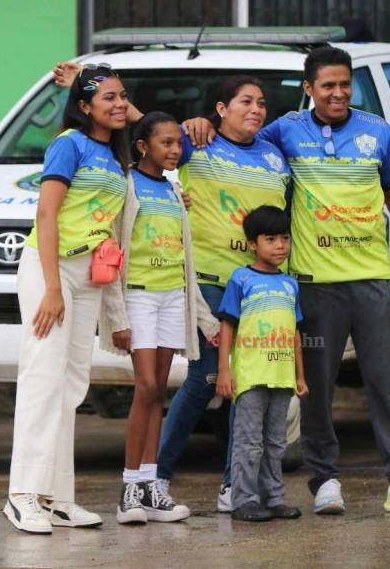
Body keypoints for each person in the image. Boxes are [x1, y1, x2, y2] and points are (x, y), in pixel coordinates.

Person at [184, 46, 390, 515]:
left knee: (384, 384)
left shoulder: (377, 131)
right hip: (314, 285)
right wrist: (195, 123)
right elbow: (235, 132)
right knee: (317, 387)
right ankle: (325, 480)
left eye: (345, 84)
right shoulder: (284, 131)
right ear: (309, 90)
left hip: (373, 280)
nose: (338, 93)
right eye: (328, 86)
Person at [53, 65, 290, 511]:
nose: (256, 109)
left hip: (218, 292)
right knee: (172, 384)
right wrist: (85, 83)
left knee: (192, 386)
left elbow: (189, 257)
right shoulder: (169, 160)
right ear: (220, 110)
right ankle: (144, 481)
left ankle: (184, 486)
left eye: (261, 103)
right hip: (172, 288)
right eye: (245, 101)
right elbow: (149, 134)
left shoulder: (260, 159)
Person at [5, 64, 131, 534]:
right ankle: (22, 494)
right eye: (107, 99)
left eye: (122, 96)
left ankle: (56, 497)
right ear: (83, 107)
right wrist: (53, 288)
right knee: (42, 377)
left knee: (72, 385)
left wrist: (95, 80)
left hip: (90, 277)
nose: (119, 105)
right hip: (50, 269)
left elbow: (139, 121)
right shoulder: (69, 144)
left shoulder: (115, 153)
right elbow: (46, 213)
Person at [97, 112, 219, 524]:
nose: (174, 151)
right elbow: (111, 248)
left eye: (177, 143)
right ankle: (129, 488)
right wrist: (116, 315)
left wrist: (204, 319)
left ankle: (151, 488)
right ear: (142, 146)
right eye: (165, 143)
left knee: (159, 391)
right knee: (145, 387)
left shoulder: (173, 189)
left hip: (173, 298)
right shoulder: (125, 185)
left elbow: (185, 261)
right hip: (138, 298)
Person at [216, 206, 308, 522]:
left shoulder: (290, 284)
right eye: (270, 239)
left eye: (284, 238)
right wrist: (225, 371)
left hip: (282, 378)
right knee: (249, 442)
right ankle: (244, 500)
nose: (280, 245)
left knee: (276, 443)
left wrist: (300, 375)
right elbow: (227, 326)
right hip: (251, 376)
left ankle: (274, 499)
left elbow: (295, 332)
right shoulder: (241, 279)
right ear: (253, 244)